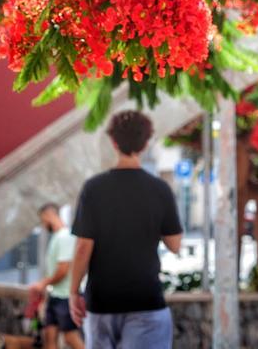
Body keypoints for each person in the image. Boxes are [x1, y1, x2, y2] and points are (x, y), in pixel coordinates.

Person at [69, 110, 183, 349]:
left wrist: (73, 293)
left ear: (114, 142)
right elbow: (174, 245)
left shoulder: (94, 188)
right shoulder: (160, 189)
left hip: (101, 304)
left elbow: (82, 248)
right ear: (146, 143)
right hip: (146, 302)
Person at [31, 203, 85, 349]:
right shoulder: (57, 237)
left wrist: (43, 283)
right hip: (55, 296)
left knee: (70, 337)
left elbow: (63, 269)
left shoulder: (65, 236)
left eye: (42, 220)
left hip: (66, 297)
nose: (43, 225)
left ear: (48, 215)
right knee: (50, 336)